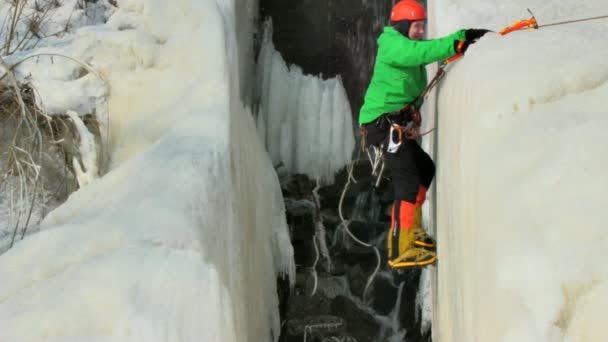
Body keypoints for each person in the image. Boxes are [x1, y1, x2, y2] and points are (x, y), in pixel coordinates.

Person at [359, 0, 489, 269]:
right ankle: (400, 249)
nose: (420, 31)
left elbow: (405, 86)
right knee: (406, 179)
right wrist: (457, 40)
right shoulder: (392, 43)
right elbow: (418, 53)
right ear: (404, 26)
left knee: (424, 168)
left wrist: (413, 110)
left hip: (392, 124)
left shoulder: (404, 47)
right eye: (417, 26)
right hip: (381, 127)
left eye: (422, 26)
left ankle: (413, 231)